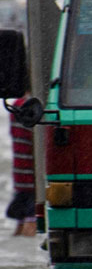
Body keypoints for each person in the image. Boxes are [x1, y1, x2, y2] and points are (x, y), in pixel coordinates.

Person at [6, 99, 35, 238]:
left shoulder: (16, 106)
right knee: (31, 229)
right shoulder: (32, 108)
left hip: (20, 177)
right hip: (33, 180)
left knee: (20, 229)